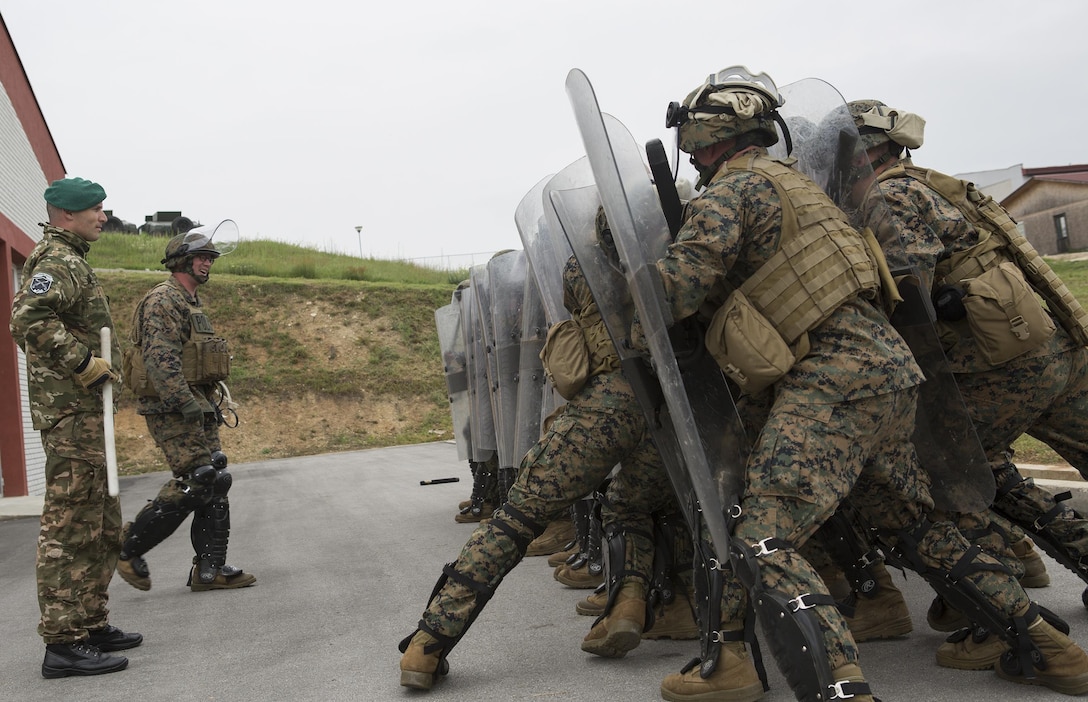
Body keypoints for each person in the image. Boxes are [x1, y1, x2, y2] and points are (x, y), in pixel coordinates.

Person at [634, 67, 1088, 700]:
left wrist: (629, 308)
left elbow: (678, 289)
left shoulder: (730, 192)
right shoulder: (804, 191)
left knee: (765, 535)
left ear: (708, 137)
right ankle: (1051, 647)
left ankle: (837, 687)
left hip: (834, 382)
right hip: (889, 372)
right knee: (912, 523)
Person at [845, 97, 1088, 669]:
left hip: (1000, 368)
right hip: (1054, 348)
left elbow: (912, 297)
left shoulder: (887, 196)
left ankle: (989, 616)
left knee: (939, 477)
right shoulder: (936, 182)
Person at [397, 234, 681, 690]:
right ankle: (628, 604)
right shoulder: (671, 243)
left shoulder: (583, 260)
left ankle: (428, 644)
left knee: (517, 517)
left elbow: (574, 307)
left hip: (607, 401)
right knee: (632, 505)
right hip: (670, 405)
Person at [9, 177, 142, 678]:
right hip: (69, 416)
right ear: (67, 214)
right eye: (96, 209)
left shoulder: (74, 258)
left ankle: (89, 622)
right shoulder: (57, 260)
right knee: (68, 526)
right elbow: (26, 317)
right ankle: (62, 643)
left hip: (86, 417)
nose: (103, 217)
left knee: (100, 522)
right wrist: (83, 362)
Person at [115, 226, 256, 592]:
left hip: (199, 405)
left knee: (216, 478)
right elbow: (161, 360)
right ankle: (129, 548)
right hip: (172, 408)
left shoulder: (191, 302)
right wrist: (184, 402)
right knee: (199, 478)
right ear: (182, 261)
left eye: (210, 258)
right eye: (201, 257)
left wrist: (203, 403)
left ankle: (210, 570)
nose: (208, 263)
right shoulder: (164, 299)